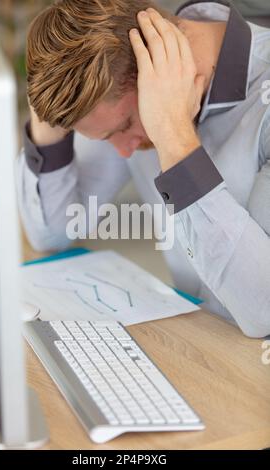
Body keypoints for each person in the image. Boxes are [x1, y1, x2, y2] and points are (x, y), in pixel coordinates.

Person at [17, 0, 270, 338]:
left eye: (124, 126)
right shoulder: (121, 88)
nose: (123, 150)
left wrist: (173, 136)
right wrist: (49, 121)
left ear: (153, 75)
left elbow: (264, 312)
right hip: (205, 348)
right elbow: (52, 233)